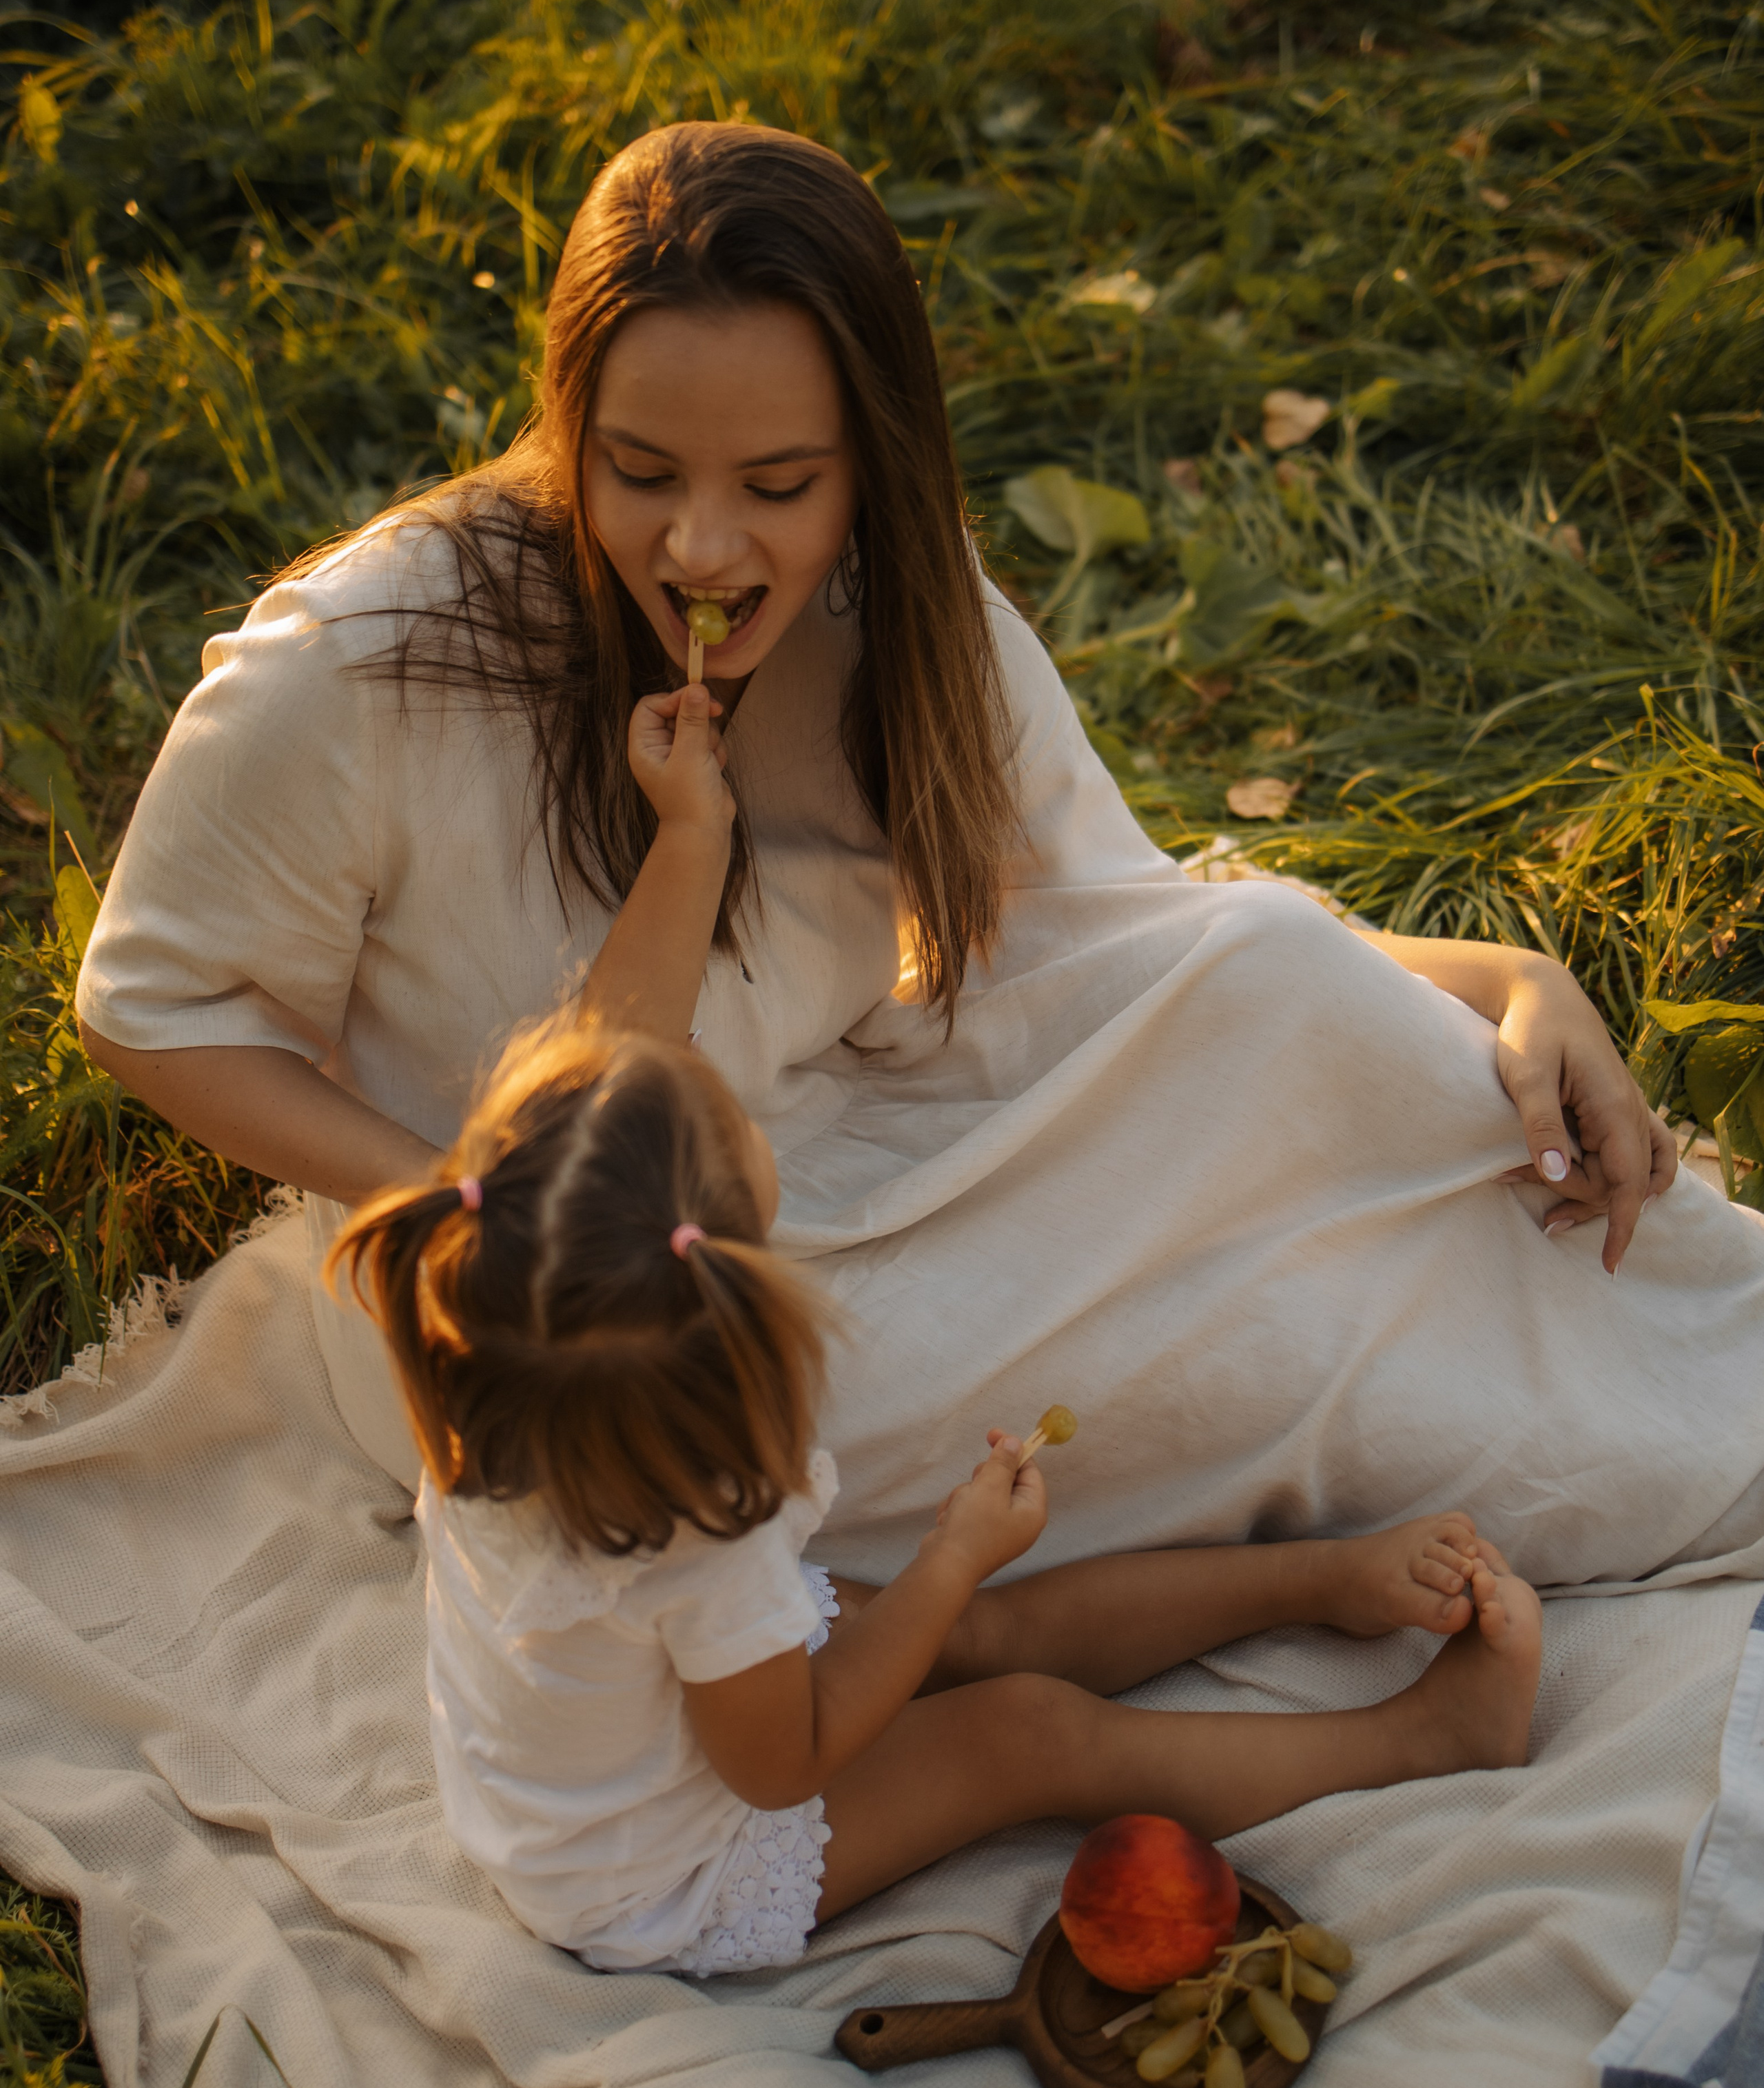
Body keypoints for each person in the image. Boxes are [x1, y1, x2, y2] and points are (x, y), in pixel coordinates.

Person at [74, 119, 1764, 1596]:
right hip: (555, 1320)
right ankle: (1500, 1461)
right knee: (1182, 1365)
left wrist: (1503, 979)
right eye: (640, 472)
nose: (707, 546)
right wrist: (458, 1206)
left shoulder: (905, 615)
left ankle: (1698, 1385)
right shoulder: (373, 658)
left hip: (843, 1160)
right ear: (567, 423)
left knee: (1297, 999)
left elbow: (1128, 932)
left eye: (781, 484)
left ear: (870, 464)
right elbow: (152, 1007)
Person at [330, 1003, 1541, 1976]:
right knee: (1025, 1724)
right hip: (661, 1873)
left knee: (972, 1631)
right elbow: (779, 1764)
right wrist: (952, 1555)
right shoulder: (704, 1530)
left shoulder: (488, 1364)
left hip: (608, 1768)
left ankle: (1315, 1577)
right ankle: (1419, 1737)